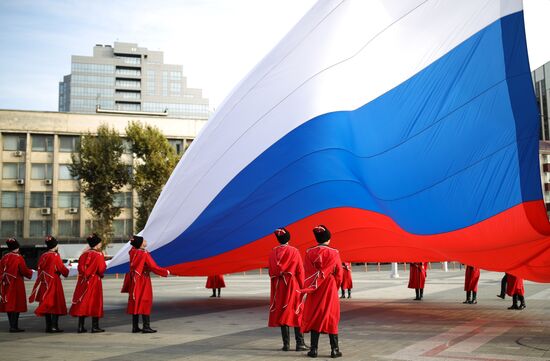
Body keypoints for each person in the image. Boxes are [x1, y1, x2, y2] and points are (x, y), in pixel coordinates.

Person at [301, 225, 343, 358]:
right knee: (331, 316)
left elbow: (306, 271)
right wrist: (335, 285)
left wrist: (312, 285)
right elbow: (339, 274)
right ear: (328, 239)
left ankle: (314, 350)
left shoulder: (309, 252)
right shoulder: (334, 252)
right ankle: (334, 350)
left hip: (314, 288)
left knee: (315, 316)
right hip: (329, 286)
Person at [268, 227, 308, 352]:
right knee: (296, 311)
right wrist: (303, 288)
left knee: (282, 312)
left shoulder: (273, 252)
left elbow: (270, 271)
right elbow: (300, 271)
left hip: (279, 286)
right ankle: (299, 343)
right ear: (288, 238)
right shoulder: (294, 251)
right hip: (292, 285)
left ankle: (286, 344)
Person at [121, 235, 170, 333]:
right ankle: (146, 326)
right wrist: (165, 272)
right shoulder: (144, 253)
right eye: (144, 240)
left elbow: (134, 246)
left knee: (135, 300)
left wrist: (135, 241)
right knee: (145, 300)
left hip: (134, 278)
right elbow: (153, 266)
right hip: (143, 279)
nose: (146, 241)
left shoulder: (132, 251)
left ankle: (135, 327)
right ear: (140, 243)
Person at [29, 236, 69, 332]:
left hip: (44, 282)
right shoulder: (55, 255)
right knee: (55, 303)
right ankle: (54, 326)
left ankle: (48, 326)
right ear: (55, 245)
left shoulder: (43, 255)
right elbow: (61, 268)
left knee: (47, 303)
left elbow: (40, 269)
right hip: (54, 281)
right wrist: (66, 272)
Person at [70, 233, 107, 333]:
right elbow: (101, 269)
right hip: (94, 280)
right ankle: (95, 326)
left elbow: (80, 268)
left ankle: (80, 326)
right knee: (95, 302)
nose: (100, 244)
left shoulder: (83, 255)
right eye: (99, 243)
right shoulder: (99, 255)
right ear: (96, 244)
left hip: (83, 281)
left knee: (83, 302)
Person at [0, 238, 33, 332]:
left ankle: (12, 325)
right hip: (16, 283)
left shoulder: (4, 257)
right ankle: (14, 326)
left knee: (9, 304)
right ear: (17, 247)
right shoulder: (18, 257)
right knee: (16, 304)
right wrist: (30, 272)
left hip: (6, 283)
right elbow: (24, 270)